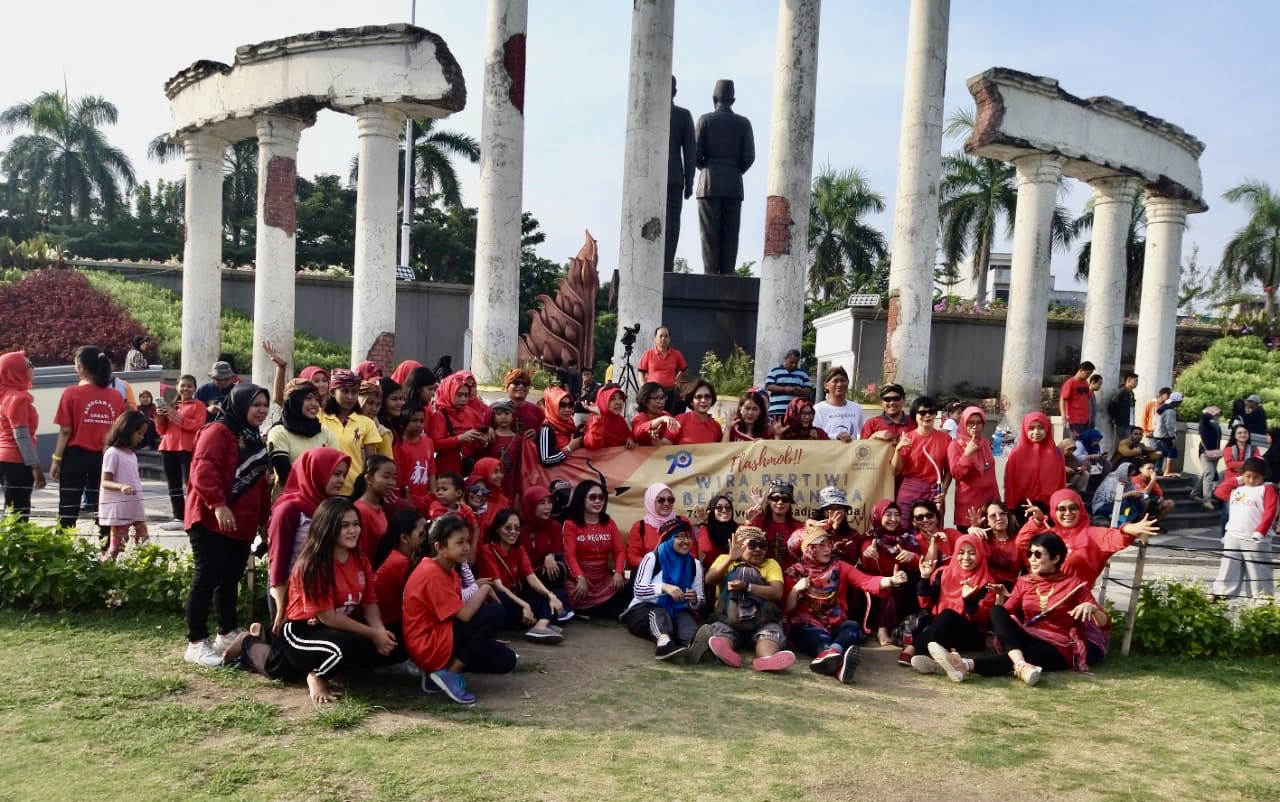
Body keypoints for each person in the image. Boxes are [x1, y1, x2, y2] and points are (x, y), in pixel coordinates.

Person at [224, 497, 396, 703]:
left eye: (356, 524)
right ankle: (252, 645)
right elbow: (328, 617)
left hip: (331, 628)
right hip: (300, 629)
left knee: (381, 644)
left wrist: (378, 631)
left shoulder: (360, 559)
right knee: (284, 668)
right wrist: (373, 634)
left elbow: (369, 601)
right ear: (327, 528)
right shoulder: (314, 564)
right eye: (344, 526)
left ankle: (265, 637)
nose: (353, 530)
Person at [926, 532, 1110, 686]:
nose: (1031, 560)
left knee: (1021, 656)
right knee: (996, 611)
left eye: (1038, 555)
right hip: (1029, 634)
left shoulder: (1074, 585)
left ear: (1055, 558)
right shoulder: (1024, 582)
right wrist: (999, 597)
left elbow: (1104, 623)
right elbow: (1005, 613)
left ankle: (963, 665)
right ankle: (1020, 664)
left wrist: (1092, 608)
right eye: (1029, 554)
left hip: (1058, 644)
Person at [183, 384, 271, 667]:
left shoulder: (252, 436)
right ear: (240, 404)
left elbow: (258, 484)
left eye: (264, 405)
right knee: (207, 576)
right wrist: (218, 505)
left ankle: (226, 632)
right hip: (211, 517)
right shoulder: (218, 431)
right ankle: (196, 642)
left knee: (230, 577)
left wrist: (261, 520)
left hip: (240, 521)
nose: (261, 410)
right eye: (255, 404)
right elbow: (202, 471)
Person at [402, 515, 515, 705]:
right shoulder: (431, 572)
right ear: (439, 547)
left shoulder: (449, 569)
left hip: (442, 634)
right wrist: (484, 588)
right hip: (428, 644)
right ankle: (450, 673)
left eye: (468, 542)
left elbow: (459, 610)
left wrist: (483, 633)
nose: (467, 548)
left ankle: (435, 675)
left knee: (506, 660)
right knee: (495, 612)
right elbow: (464, 615)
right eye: (460, 542)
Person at [784, 521, 906, 684]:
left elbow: (866, 581)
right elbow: (787, 608)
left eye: (828, 544)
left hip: (835, 624)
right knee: (811, 634)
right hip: (806, 625)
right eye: (821, 545)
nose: (828, 549)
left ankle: (832, 654)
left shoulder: (839, 567)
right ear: (809, 550)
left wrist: (891, 580)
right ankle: (833, 657)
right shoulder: (795, 571)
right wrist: (795, 590)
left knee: (852, 627)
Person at [267, 447, 350, 633]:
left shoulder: (328, 506)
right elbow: (278, 560)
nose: (341, 481)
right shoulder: (289, 508)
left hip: (318, 589)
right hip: (288, 591)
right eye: (336, 474)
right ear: (316, 471)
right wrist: (281, 607)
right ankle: (248, 643)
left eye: (344, 475)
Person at [694, 526, 794, 671]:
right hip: (728, 621)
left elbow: (777, 592)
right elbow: (709, 580)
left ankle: (766, 659)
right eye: (753, 545)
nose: (758, 550)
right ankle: (726, 652)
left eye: (763, 546)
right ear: (739, 546)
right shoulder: (724, 559)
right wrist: (730, 559)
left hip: (762, 622)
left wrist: (747, 587)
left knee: (770, 634)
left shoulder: (770, 564)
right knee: (721, 633)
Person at [1016, 488, 1158, 586]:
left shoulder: (1093, 534)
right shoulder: (1050, 535)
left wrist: (1129, 528)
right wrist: (1037, 521)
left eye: (1073, 508)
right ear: (1054, 511)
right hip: (1041, 599)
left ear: (1081, 509)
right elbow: (1021, 544)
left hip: (1076, 603)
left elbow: (1115, 538)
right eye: (1061, 509)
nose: (1068, 513)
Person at [51, 345, 124, 535]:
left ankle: (63, 549)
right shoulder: (116, 396)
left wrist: (56, 459)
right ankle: (106, 550)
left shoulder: (71, 393)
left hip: (75, 456)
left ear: (81, 368)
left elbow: (65, 431)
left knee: (68, 506)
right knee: (104, 505)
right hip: (105, 457)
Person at [905, 534, 997, 673]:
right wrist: (924, 578)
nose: (966, 558)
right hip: (940, 628)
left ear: (980, 554)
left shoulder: (987, 581)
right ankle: (941, 663)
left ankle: (912, 648)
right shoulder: (942, 573)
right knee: (943, 620)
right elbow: (926, 604)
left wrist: (968, 600)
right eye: (961, 552)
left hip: (970, 634)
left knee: (948, 615)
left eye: (972, 553)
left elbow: (981, 619)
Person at [695, 78, 755, 275]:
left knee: (709, 233)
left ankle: (710, 274)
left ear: (714, 98)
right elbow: (749, 156)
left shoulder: (704, 121)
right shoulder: (743, 123)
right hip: (733, 184)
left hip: (708, 183)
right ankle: (728, 272)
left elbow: (695, 155)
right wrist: (734, 170)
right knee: (730, 233)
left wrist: (707, 166)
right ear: (733, 99)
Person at [477, 509, 566, 643]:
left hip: (516, 596)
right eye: (508, 528)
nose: (513, 532)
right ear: (497, 529)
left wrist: (550, 595)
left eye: (517, 528)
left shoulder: (518, 549)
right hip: (499, 599)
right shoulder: (487, 549)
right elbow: (498, 586)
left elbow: (531, 578)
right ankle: (541, 621)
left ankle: (539, 626)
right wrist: (524, 604)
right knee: (502, 599)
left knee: (558, 593)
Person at [621, 518, 705, 660]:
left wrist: (694, 599)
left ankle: (693, 648)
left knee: (685, 620)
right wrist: (663, 588)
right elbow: (638, 591)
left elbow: (701, 600)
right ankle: (664, 644)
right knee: (658, 612)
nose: (686, 541)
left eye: (689, 537)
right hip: (642, 612)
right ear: (669, 538)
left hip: (677, 610)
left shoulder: (694, 564)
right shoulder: (653, 558)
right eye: (680, 536)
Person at [1212, 457, 1277, 598]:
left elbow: (1270, 511)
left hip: (1254, 539)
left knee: (1258, 571)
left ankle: (1263, 599)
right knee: (1229, 567)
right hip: (1233, 534)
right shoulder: (1237, 489)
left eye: (1256, 477)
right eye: (1248, 476)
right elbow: (1219, 491)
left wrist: (1260, 531)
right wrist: (1238, 480)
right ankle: (1223, 594)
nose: (1252, 480)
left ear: (1263, 476)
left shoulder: (1267, 488)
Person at [858, 499, 921, 645]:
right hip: (875, 582)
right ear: (878, 516)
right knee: (887, 583)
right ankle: (878, 629)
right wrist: (866, 552)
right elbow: (865, 553)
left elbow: (920, 564)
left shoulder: (907, 537)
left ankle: (885, 628)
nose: (893, 519)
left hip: (900, 582)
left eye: (897, 514)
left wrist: (912, 557)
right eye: (888, 514)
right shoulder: (870, 536)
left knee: (900, 582)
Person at [562, 480, 627, 615]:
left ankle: (605, 609)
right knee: (573, 594)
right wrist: (580, 578)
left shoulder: (608, 523)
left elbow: (619, 551)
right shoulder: (571, 524)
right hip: (580, 580)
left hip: (604, 581)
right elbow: (570, 555)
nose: (598, 501)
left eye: (601, 497)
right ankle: (610, 611)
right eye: (592, 497)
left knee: (630, 585)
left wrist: (619, 573)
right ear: (581, 499)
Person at [371, 508, 428, 654]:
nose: (427, 537)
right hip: (390, 628)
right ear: (404, 538)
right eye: (422, 534)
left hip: (389, 623)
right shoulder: (400, 563)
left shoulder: (398, 556)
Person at [266, 379, 339, 491]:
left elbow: (336, 469)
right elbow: (286, 475)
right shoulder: (279, 432)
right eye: (308, 398)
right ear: (295, 401)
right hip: (290, 500)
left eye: (316, 399)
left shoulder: (326, 434)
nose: (315, 404)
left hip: (322, 500)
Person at [98, 411, 150, 560]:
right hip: (120, 509)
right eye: (139, 433)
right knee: (116, 547)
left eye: (143, 434)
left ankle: (141, 573)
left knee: (143, 543)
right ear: (127, 430)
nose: (141, 437)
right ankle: (104, 571)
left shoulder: (132, 454)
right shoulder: (113, 453)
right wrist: (121, 487)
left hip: (134, 506)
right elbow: (105, 481)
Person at [320, 369, 382, 494]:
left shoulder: (366, 423)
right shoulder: (319, 417)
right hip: (323, 486)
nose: (350, 397)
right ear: (332, 392)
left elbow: (371, 460)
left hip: (353, 489)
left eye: (354, 392)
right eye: (345, 391)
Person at [0, 351, 44, 520]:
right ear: (16, 370)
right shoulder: (18, 399)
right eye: (28, 365)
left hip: (5, 458)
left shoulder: (4, 394)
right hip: (17, 460)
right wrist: (35, 467)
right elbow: (22, 436)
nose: (32, 368)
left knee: (11, 509)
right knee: (19, 512)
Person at [893, 396, 952, 514]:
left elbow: (949, 470)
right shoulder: (907, 438)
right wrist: (898, 450)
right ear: (915, 415)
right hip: (910, 488)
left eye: (931, 412)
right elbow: (895, 471)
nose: (927, 415)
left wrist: (943, 491)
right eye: (922, 412)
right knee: (905, 528)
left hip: (934, 490)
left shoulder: (945, 438)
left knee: (933, 529)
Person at [520, 486, 572, 620]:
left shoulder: (554, 527)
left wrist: (551, 555)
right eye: (542, 503)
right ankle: (549, 617)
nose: (548, 507)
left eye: (549, 502)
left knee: (559, 573)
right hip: (524, 579)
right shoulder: (517, 528)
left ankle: (541, 624)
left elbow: (557, 551)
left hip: (546, 577)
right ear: (531, 505)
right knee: (559, 594)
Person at [1003, 412, 1065, 520]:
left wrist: (1060, 504)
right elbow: (1009, 483)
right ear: (1025, 429)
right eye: (1031, 428)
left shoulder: (1056, 454)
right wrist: (1010, 509)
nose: (1036, 432)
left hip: (1049, 507)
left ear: (1047, 429)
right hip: (1022, 507)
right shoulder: (1016, 454)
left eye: (1041, 427)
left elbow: (1061, 482)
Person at [428, 373, 490, 477]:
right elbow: (435, 445)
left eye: (466, 395)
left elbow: (474, 444)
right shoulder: (440, 415)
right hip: (447, 471)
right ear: (449, 392)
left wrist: (482, 442)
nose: (463, 399)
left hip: (467, 468)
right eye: (459, 395)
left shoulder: (470, 413)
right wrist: (460, 438)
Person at [948, 406, 999, 528]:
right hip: (969, 503)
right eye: (970, 423)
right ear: (963, 423)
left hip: (989, 501)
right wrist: (967, 454)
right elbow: (957, 474)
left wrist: (997, 501)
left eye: (978, 423)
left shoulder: (985, 443)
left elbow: (991, 474)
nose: (975, 427)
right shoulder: (955, 445)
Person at [627, 483, 696, 569]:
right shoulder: (640, 527)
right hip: (651, 575)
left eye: (670, 500)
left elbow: (693, 552)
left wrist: (676, 565)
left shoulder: (682, 521)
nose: (666, 503)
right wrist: (655, 564)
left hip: (680, 573)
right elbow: (632, 557)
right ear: (651, 501)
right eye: (661, 500)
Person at [743, 481, 800, 569]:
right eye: (775, 498)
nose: (780, 502)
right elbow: (744, 543)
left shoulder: (798, 527)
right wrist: (750, 519)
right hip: (761, 571)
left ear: (790, 503)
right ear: (769, 501)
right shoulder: (758, 521)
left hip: (791, 573)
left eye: (785, 499)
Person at [353, 455, 397, 560]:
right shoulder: (361, 510)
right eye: (386, 477)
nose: (391, 482)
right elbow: (362, 553)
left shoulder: (378, 507)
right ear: (369, 478)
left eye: (394, 477)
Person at [395, 403, 435, 516]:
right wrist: (406, 500)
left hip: (426, 499)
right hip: (408, 499)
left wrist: (433, 495)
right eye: (414, 421)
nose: (419, 425)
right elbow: (400, 474)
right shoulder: (399, 445)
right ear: (404, 421)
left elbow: (431, 470)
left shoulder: (428, 442)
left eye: (422, 421)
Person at [637, 326, 688, 415]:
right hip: (652, 395)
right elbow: (641, 372)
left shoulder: (676, 354)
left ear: (669, 339)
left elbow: (684, 369)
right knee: (652, 416)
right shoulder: (648, 354)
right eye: (661, 336)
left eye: (666, 336)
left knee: (669, 416)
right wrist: (644, 387)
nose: (663, 338)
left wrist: (677, 380)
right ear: (655, 339)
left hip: (669, 393)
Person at [812, 366, 863, 442]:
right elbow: (815, 436)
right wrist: (835, 437)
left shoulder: (856, 408)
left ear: (848, 382)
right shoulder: (818, 409)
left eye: (843, 380)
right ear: (826, 385)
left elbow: (861, 434)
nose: (839, 384)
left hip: (850, 453)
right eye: (835, 381)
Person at [536, 386, 583, 466]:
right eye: (562, 405)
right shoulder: (547, 429)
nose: (567, 409)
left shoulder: (569, 424)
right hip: (555, 476)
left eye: (570, 405)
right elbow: (546, 460)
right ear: (552, 406)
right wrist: (569, 448)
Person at [490, 368, 542, 435]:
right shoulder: (494, 408)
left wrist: (537, 435)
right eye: (516, 383)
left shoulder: (537, 410)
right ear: (507, 387)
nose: (521, 386)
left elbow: (544, 433)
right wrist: (488, 430)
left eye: (525, 383)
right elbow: (483, 430)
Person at [764, 349, 812, 419]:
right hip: (777, 412)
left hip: (795, 412)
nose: (794, 365)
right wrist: (785, 389)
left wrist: (800, 391)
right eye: (791, 362)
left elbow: (808, 390)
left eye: (796, 363)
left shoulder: (803, 374)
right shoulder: (774, 371)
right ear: (785, 359)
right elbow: (769, 386)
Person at [696, 493, 738, 570]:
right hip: (712, 575)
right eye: (719, 508)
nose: (724, 510)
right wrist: (702, 524)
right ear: (712, 511)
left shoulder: (738, 528)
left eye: (728, 507)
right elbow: (706, 549)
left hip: (735, 573)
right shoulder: (706, 530)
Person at [674, 380, 723, 444]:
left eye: (707, 396)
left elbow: (722, 451)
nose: (703, 400)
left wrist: (728, 427)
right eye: (699, 397)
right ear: (691, 401)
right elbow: (664, 447)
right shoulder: (679, 421)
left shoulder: (716, 427)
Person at [1194, 406, 1224, 505]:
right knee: (1209, 472)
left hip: (1214, 453)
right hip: (1204, 452)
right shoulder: (1204, 423)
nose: (1217, 415)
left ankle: (1195, 493)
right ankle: (1206, 499)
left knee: (1207, 474)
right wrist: (1209, 412)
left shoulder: (1216, 425)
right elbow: (1204, 418)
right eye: (1215, 414)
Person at [1220, 423, 1261, 492]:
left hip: (1248, 480)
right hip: (1231, 479)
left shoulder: (1254, 449)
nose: (1243, 435)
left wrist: (1237, 464)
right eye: (1239, 433)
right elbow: (1229, 464)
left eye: (1245, 432)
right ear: (1235, 436)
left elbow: (1256, 463)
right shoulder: (1228, 449)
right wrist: (1248, 463)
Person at [1059, 361, 1095, 437]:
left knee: (1085, 443)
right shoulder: (1070, 383)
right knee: (1077, 443)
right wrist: (1063, 415)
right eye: (1088, 373)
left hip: (1085, 420)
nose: (1088, 376)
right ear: (1081, 370)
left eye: (1090, 374)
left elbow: (1088, 399)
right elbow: (1062, 399)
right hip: (1074, 420)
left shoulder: (1085, 383)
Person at [1153, 390, 1183, 477]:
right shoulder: (1170, 411)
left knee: (1162, 452)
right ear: (1176, 402)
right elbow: (1169, 425)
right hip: (1165, 436)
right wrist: (1173, 437)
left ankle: (1158, 470)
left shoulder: (1163, 408)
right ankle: (1167, 471)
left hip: (1158, 434)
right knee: (1172, 452)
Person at [1106, 371, 1139, 444]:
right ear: (1128, 380)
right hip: (1122, 423)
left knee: (1128, 443)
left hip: (1130, 423)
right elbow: (1112, 405)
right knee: (1122, 444)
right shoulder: (1121, 392)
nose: (1137, 383)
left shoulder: (1131, 393)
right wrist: (1115, 417)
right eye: (1135, 380)